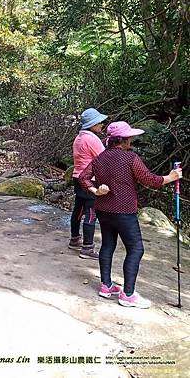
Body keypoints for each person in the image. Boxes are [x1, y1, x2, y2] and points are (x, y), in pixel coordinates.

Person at [79, 121, 183, 309]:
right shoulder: (130, 158)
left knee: (108, 245)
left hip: (103, 209)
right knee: (136, 249)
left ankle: (106, 286)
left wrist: (95, 191)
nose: (132, 141)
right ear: (124, 140)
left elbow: (82, 177)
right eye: (130, 138)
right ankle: (128, 294)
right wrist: (171, 177)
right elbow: (150, 180)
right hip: (124, 211)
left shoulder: (100, 158)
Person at [69, 108, 108, 260]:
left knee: (78, 209)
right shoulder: (92, 139)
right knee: (91, 213)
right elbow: (104, 158)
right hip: (89, 180)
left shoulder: (79, 137)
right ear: (92, 124)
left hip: (77, 177)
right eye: (99, 122)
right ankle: (87, 247)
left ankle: (74, 239)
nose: (101, 125)